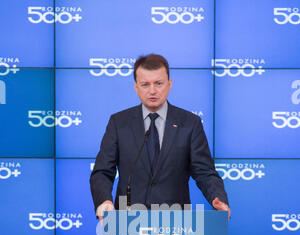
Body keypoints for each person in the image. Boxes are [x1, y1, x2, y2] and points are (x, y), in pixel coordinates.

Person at [90, 54, 230, 220]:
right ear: (136, 87)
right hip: (128, 222)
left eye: (158, 83)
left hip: (175, 223)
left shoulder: (190, 123)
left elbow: (205, 172)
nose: (152, 91)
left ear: (169, 84)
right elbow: (102, 172)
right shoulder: (119, 123)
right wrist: (104, 201)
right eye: (145, 84)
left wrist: (219, 198)